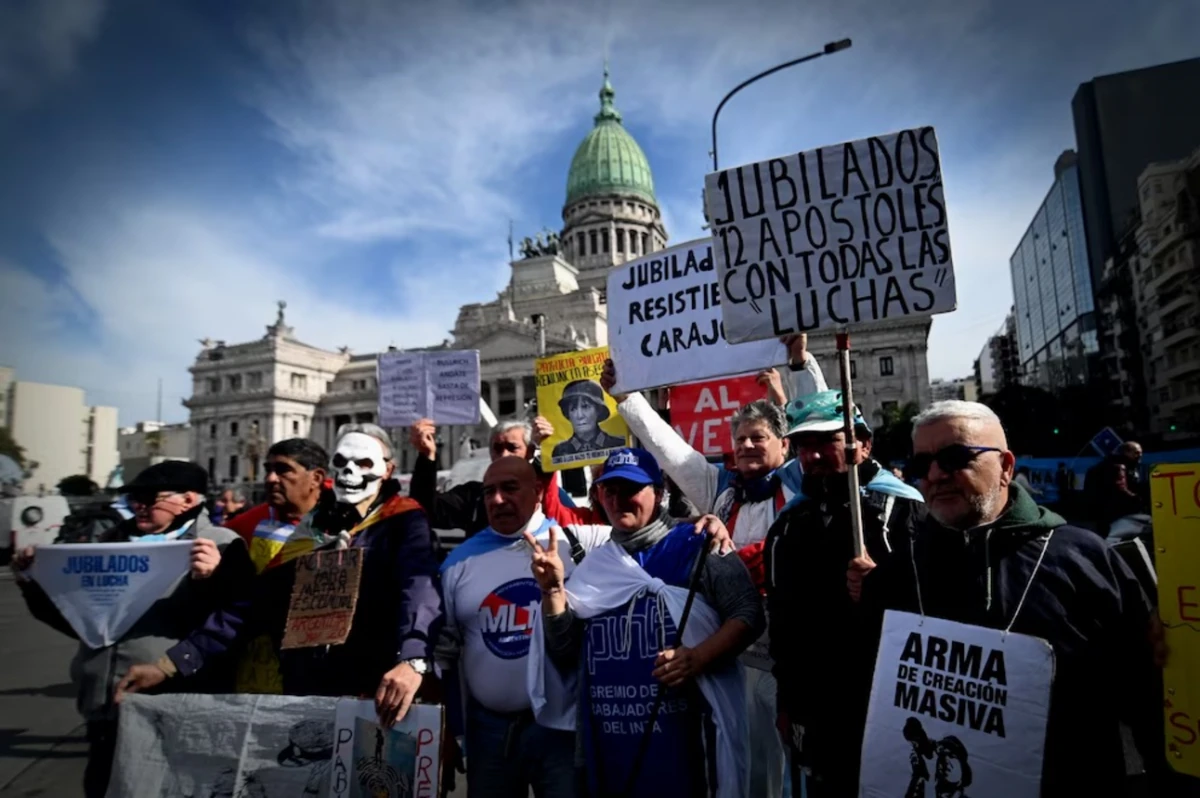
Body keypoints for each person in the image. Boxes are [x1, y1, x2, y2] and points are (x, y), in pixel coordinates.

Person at [848, 401, 1165, 797]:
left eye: (954, 457)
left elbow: (1146, 694)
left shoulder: (1084, 558)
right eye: (921, 463)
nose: (934, 475)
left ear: (1006, 466)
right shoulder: (894, 572)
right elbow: (869, 694)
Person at [599, 341, 826, 797]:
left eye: (757, 438)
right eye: (739, 439)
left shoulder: (804, 479)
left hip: (798, 655)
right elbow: (671, 452)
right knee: (744, 762)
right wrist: (627, 397)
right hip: (736, 654)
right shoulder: (720, 490)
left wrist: (801, 364)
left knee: (795, 767)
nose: (744, 446)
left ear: (785, 445)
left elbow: (817, 419)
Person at [118, 424, 444, 728]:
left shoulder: (404, 520)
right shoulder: (316, 527)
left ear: (387, 470)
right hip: (308, 689)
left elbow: (419, 590)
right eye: (342, 462)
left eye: (363, 463)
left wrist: (413, 659)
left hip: (375, 687)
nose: (350, 472)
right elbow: (257, 602)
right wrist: (171, 665)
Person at [529, 448, 764, 797]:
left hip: (688, 747)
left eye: (631, 488)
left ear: (659, 492)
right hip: (610, 748)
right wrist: (554, 592)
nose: (618, 498)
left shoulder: (699, 544)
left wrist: (697, 657)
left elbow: (748, 614)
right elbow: (567, 653)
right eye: (609, 490)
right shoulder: (596, 568)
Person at [11, 461, 252, 798]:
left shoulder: (221, 545)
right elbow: (78, 619)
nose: (139, 505)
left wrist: (214, 581)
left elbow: (235, 620)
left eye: (151, 497)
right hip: (107, 706)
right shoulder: (112, 541)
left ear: (189, 500)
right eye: (134, 497)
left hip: (177, 706)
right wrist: (32, 581)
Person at [764, 390, 924, 798]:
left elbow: (943, 606)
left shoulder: (905, 513)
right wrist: (787, 701)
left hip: (887, 703)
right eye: (803, 445)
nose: (813, 455)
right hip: (813, 705)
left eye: (826, 442)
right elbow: (782, 620)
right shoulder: (788, 523)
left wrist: (884, 586)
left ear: (863, 443)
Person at [436, 457, 612, 797]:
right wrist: (448, 728)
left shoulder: (578, 543)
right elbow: (445, 653)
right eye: (489, 492)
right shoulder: (456, 564)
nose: (497, 499)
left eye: (509, 488)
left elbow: (650, 532)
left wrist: (709, 523)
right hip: (489, 734)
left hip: (561, 729)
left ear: (537, 492)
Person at [219, 438, 333, 693]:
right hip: (251, 668)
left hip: (319, 673)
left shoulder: (345, 526)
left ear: (316, 478)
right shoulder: (243, 526)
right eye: (267, 469)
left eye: (283, 470)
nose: (270, 479)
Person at [409, 418, 577, 538]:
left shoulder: (551, 495)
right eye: (498, 448)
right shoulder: (474, 496)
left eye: (513, 448)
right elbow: (425, 511)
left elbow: (576, 526)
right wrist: (426, 456)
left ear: (530, 452)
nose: (504, 454)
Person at [548, 380, 627, 462]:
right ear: (568, 414)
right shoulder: (560, 451)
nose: (579, 415)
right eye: (573, 409)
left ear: (598, 410)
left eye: (585, 406)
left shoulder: (619, 443)